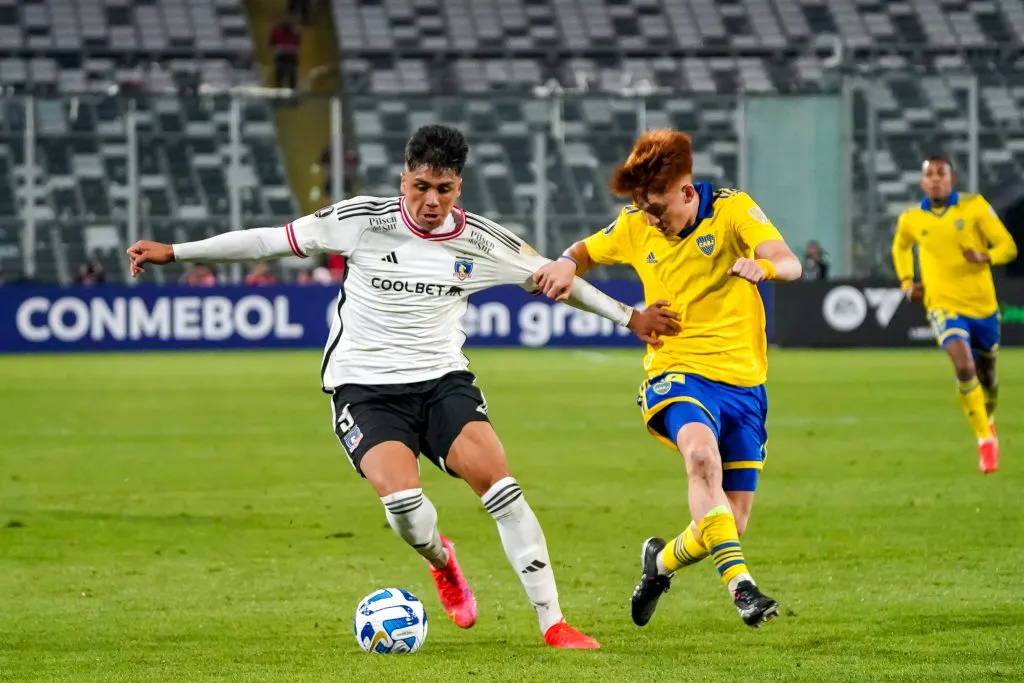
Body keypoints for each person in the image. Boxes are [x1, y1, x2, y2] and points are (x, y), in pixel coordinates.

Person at [126, 125, 680, 649]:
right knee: (405, 506)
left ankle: (553, 622)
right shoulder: (361, 220)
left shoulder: (484, 241)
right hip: (364, 388)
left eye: (444, 189)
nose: (431, 201)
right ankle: (443, 562)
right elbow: (270, 240)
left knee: (503, 489)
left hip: (442, 382)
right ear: (403, 180)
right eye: (420, 186)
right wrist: (177, 252)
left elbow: (557, 278)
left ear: (459, 187)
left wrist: (631, 317)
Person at [532, 129, 802, 629]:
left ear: (687, 191)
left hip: (744, 383)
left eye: (657, 208)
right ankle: (742, 587)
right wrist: (567, 263)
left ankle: (659, 564)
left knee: (731, 520)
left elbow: (791, 263)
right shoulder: (635, 224)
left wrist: (763, 266)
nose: (651, 218)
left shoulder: (732, 210)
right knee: (701, 457)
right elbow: (585, 250)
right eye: (642, 208)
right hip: (677, 371)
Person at [892, 156, 1017, 474]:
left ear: (952, 180)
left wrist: (985, 256)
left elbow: (1008, 246)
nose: (935, 179)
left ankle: (987, 420)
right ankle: (984, 440)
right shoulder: (911, 218)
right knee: (963, 365)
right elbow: (901, 247)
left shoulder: (975, 207)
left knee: (988, 375)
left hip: (982, 306)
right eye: (930, 175)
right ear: (922, 183)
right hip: (942, 304)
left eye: (941, 174)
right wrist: (907, 282)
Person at [270, 15, 300, 90]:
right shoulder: (277, 30)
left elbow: (298, 41)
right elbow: (272, 40)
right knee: (280, 75)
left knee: (292, 75)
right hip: (281, 55)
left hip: (291, 55)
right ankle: (279, 89)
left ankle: (292, 90)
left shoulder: (295, 30)